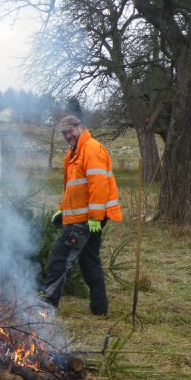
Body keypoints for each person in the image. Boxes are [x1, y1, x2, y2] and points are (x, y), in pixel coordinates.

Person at [41, 116, 123, 315]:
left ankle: (46, 308)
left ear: (80, 127)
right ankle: (100, 309)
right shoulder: (73, 153)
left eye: (70, 131)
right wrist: (63, 209)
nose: (67, 136)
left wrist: (95, 217)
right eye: (64, 133)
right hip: (83, 216)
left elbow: (99, 184)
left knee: (60, 258)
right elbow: (73, 188)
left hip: (87, 219)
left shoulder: (91, 148)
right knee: (89, 260)